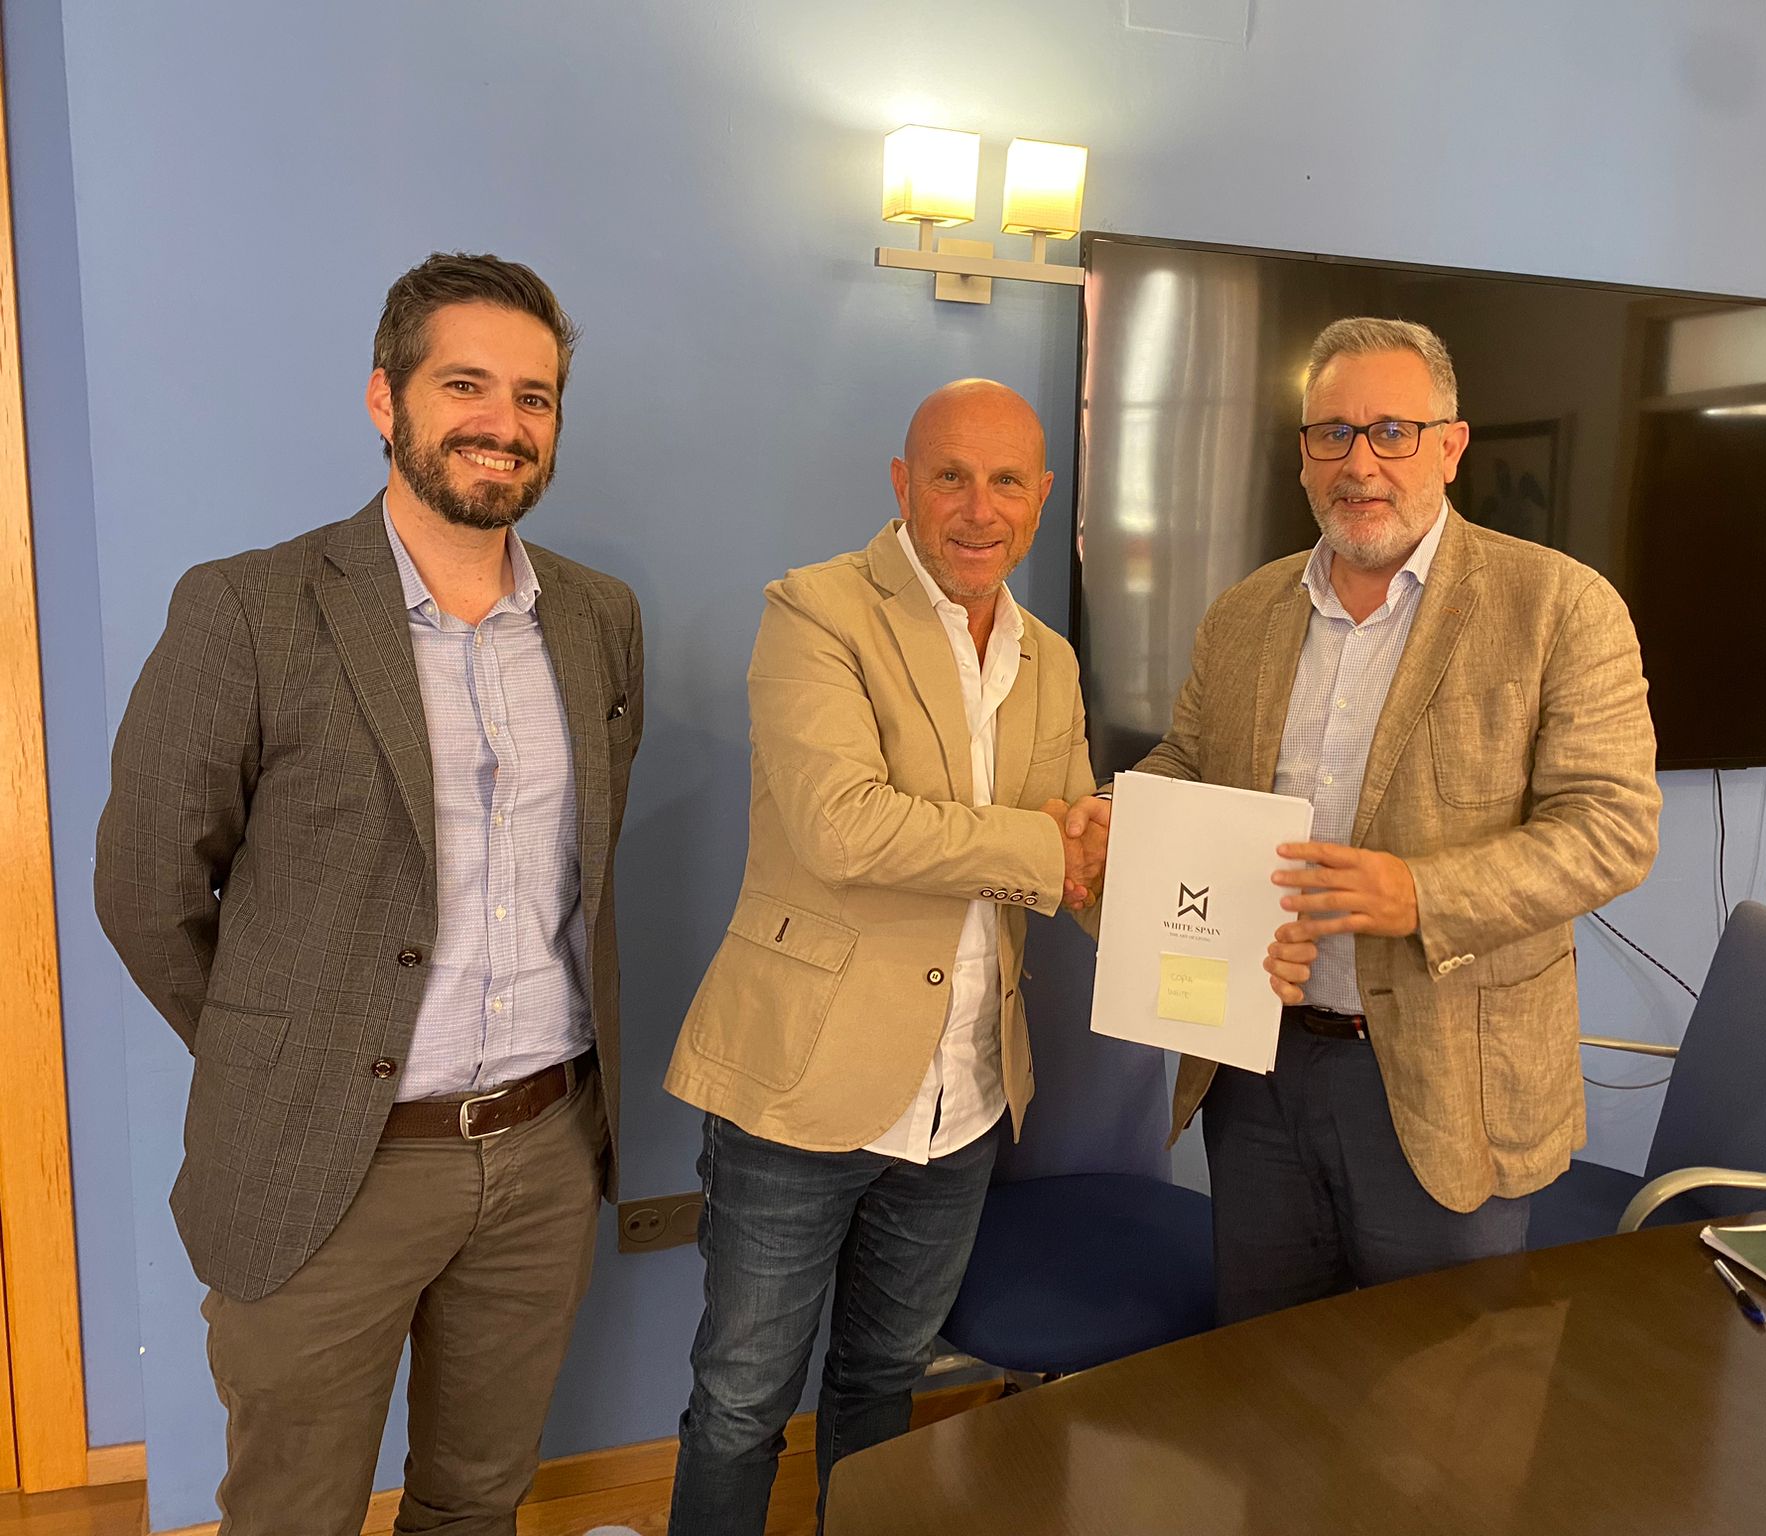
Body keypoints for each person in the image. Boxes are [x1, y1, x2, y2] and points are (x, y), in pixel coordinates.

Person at [95, 252, 644, 1535]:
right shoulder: (247, 609)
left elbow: (586, 868)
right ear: (384, 398)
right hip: (328, 1161)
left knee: (478, 1502)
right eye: (465, 384)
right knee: (292, 1513)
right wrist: (289, 1053)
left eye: (535, 396)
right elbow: (144, 888)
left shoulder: (598, 619)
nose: (503, 422)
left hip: (543, 1145)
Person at [1067, 316, 1660, 1323]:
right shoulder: (1245, 612)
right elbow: (1190, 765)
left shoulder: (1559, 606)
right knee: (1266, 1366)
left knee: (1437, 1391)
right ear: (1303, 453)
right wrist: (1120, 811)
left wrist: (1420, 894)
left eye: (1392, 431)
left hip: (1447, 1081)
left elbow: (1610, 828)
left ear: (1450, 446)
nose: (1359, 462)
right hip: (1257, 1062)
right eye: (1331, 433)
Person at [662, 379, 1103, 1534]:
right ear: (903, 486)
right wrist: (1048, 845)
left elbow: (1075, 856)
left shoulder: (1050, 660)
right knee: (741, 1402)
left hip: (963, 1097)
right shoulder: (814, 612)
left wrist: (1167, 893)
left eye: (1005, 481)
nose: (978, 507)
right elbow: (843, 828)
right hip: (800, 1087)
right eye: (949, 476)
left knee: (882, 1383)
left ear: (1041, 496)